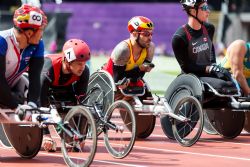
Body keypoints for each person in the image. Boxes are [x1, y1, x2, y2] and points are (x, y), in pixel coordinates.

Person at [40, 39, 90, 152]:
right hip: (42, 89)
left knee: (74, 141)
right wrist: (46, 135)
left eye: (84, 63)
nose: (82, 67)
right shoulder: (49, 68)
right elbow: (40, 103)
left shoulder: (84, 72)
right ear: (67, 61)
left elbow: (80, 101)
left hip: (64, 88)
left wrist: (81, 133)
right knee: (43, 104)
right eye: (79, 63)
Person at [172, 0, 232, 91]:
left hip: (208, 72)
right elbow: (186, 67)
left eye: (207, 7)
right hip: (191, 77)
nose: (208, 11)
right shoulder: (179, 37)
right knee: (224, 86)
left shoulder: (209, 28)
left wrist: (213, 65)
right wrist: (209, 68)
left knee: (232, 81)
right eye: (204, 8)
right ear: (192, 11)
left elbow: (211, 49)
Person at [0, 4, 47, 117]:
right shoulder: (2, 41)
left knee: (34, 102)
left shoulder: (38, 45)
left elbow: (35, 77)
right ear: (30, 33)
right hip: (2, 85)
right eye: (41, 30)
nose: (42, 34)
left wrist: (31, 105)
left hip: (10, 87)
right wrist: (15, 106)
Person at [102, 16, 155, 101]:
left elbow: (139, 76)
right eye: (146, 34)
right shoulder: (123, 49)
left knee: (150, 103)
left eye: (151, 34)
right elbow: (118, 80)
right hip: (110, 82)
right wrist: (140, 68)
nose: (150, 38)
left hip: (130, 81)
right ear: (134, 33)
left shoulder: (150, 47)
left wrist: (140, 71)